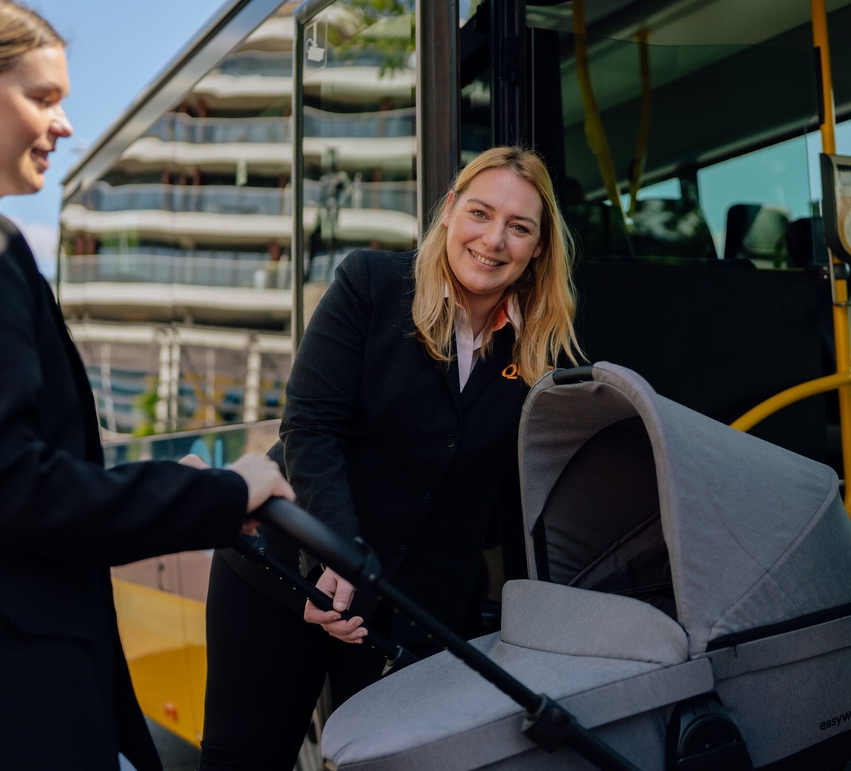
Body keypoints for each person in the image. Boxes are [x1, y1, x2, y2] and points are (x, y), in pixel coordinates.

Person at [0, 2, 293, 769]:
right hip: (11, 704)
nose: (66, 127)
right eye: (43, 97)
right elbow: (3, 485)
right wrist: (226, 492)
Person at [199, 146, 584, 769]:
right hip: (285, 575)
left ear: (539, 247)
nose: (493, 240)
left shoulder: (541, 349)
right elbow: (311, 425)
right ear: (450, 210)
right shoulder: (372, 284)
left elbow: (515, 494)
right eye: (480, 213)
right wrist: (337, 556)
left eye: (519, 227)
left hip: (410, 607)